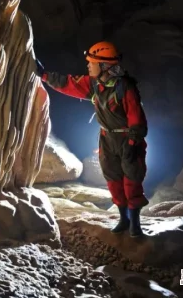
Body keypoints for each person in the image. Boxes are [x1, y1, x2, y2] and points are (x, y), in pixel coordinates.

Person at [35, 41, 149, 237]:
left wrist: (133, 142)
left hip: (127, 139)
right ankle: (124, 219)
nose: (88, 66)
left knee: (131, 179)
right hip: (107, 138)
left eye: (92, 62)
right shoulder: (94, 85)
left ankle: (135, 225)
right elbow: (68, 84)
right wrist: (43, 74)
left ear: (104, 66)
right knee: (113, 179)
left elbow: (136, 117)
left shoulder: (125, 87)